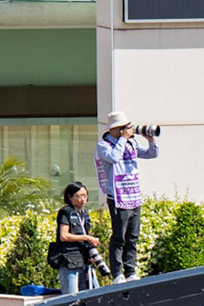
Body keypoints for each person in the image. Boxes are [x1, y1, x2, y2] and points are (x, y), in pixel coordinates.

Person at [94, 110, 158, 281]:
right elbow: (113, 158)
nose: (128, 131)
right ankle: (117, 273)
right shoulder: (104, 145)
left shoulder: (130, 144)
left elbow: (151, 154)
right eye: (124, 128)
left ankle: (131, 271)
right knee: (119, 236)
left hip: (134, 196)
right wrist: (123, 139)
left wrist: (151, 141)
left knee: (133, 237)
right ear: (115, 129)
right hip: (117, 197)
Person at [52, 182, 100, 295]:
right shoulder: (66, 212)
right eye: (78, 196)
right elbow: (64, 236)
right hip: (69, 260)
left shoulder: (85, 214)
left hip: (83, 260)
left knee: (88, 294)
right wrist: (87, 238)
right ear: (70, 197)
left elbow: (87, 233)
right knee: (71, 295)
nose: (82, 199)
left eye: (85, 195)